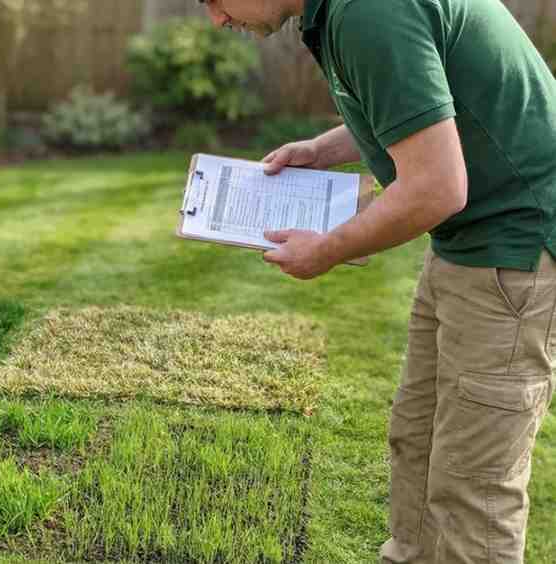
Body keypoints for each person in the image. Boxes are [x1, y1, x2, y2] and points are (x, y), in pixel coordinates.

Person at [199, 0, 556, 562]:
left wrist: (326, 250)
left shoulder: (369, 10)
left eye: (214, 0)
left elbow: (437, 187)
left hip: (515, 250)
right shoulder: (341, 11)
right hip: (466, 243)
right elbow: (415, 105)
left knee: (474, 487)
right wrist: (322, 150)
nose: (217, 19)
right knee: (417, 441)